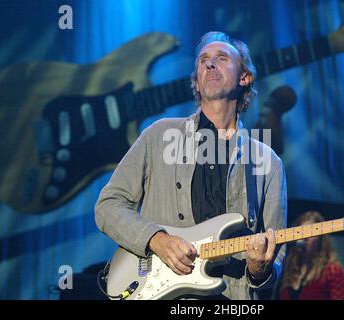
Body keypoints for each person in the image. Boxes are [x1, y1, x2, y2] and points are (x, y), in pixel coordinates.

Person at [94, 31, 287, 300]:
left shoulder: (267, 162)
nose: (210, 64)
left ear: (245, 77)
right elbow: (108, 205)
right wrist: (157, 239)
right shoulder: (158, 136)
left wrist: (259, 271)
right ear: (196, 81)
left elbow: (274, 263)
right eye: (203, 60)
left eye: (222, 58)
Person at [278, 211, 344, 300]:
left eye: (310, 234)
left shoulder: (332, 270)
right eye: (301, 233)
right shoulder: (291, 268)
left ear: (321, 239)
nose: (304, 238)